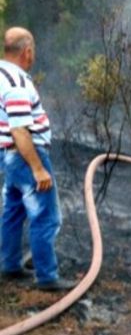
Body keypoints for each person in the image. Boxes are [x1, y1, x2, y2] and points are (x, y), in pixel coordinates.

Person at [0, 27, 72, 291]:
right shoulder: (17, 83)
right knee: (45, 215)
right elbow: (20, 131)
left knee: (14, 209)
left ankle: (9, 266)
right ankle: (47, 277)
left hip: (8, 157)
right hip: (23, 155)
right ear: (26, 51)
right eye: (34, 51)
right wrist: (39, 169)